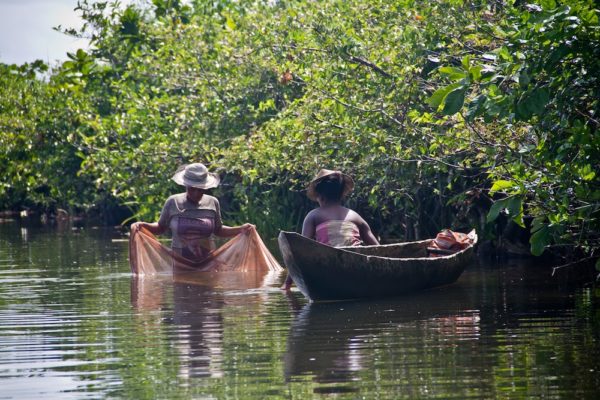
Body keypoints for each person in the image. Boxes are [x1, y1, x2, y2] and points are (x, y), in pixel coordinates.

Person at [131, 162, 254, 262]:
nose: (196, 193)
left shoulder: (212, 202)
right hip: (180, 263)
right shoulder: (173, 202)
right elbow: (160, 228)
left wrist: (240, 229)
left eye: (200, 189)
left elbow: (218, 230)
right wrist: (143, 225)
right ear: (186, 185)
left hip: (209, 263)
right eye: (192, 189)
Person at [282, 169, 379, 290]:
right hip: (357, 268)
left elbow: (300, 252)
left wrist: (287, 283)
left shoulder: (314, 216)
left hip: (328, 269)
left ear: (319, 196)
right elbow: (378, 249)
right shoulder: (355, 216)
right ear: (341, 194)